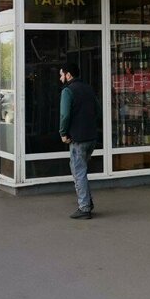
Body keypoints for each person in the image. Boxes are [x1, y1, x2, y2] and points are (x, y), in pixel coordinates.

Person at [58, 63, 100, 220]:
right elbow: (98, 110)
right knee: (82, 170)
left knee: (79, 172)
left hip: (78, 138)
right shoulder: (88, 89)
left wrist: (63, 133)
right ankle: (87, 202)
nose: (60, 78)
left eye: (62, 74)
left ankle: (84, 208)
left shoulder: (67, 91)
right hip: (91, 137)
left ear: (68, 75)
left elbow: (65, 115)